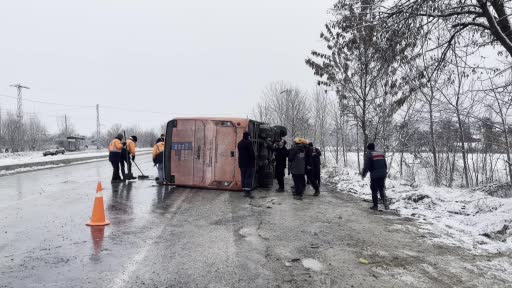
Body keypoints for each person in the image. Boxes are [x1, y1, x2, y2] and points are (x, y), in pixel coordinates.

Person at [361, 143, 389, 210]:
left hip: (375, 175)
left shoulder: (369, 155)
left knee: (374, 189)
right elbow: (385, 165)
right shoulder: (381, 153)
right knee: (381, 188)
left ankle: (375, 206)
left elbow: (366, 167)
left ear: (368, 149)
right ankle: (385, 204)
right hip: (383, 174)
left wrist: (363, 174)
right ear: (374, 147)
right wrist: (384, 172)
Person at [237, 131, 256, 199]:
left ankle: (244, 190)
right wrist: (254, 158)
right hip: (249, 164)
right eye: (249, 136)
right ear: (248, 136)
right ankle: (248, 192)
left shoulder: (239, 143)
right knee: (249, 177)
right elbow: (251, 153)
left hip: (241, 164)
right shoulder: (248, 142)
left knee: (243, 177)